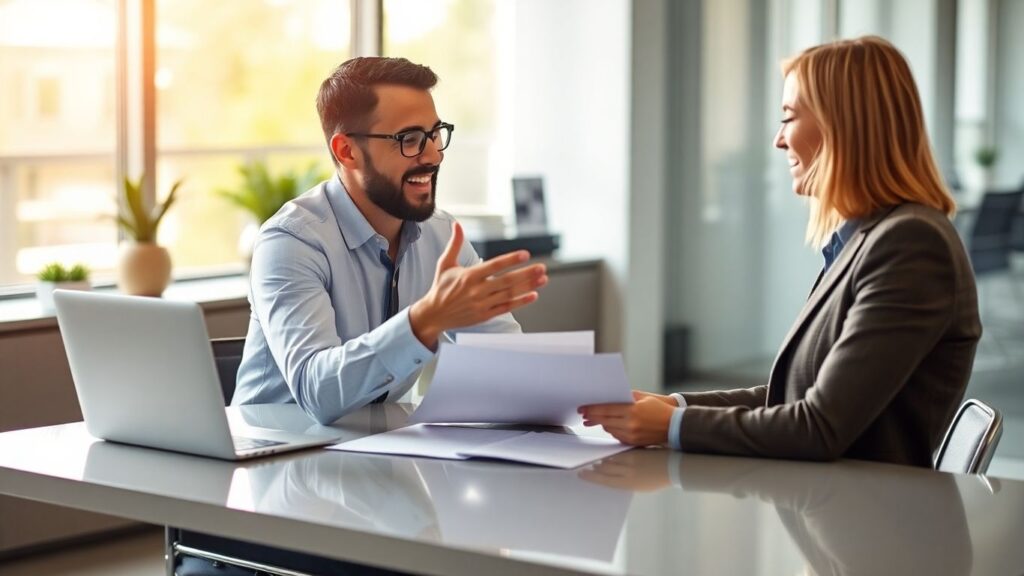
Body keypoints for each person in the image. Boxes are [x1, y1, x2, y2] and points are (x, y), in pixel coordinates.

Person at [579, 36, 981, 468]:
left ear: (842, 126)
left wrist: (671, 426)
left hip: (867, 521)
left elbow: (818, 427)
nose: (778, 140)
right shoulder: (866, 240)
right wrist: (671, 406)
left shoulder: (909, 246)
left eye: (788, 118)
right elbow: (790, 395)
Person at [232, 56, 548, 425]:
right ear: (346, 151)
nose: (433, 155)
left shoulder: (443, 236)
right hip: (272, 461)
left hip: (374, 453)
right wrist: (422, 322)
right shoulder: (291, 242)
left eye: (434, 134)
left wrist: (608, 403)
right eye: (409, 139)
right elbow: (316, 391)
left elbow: (509, 362)